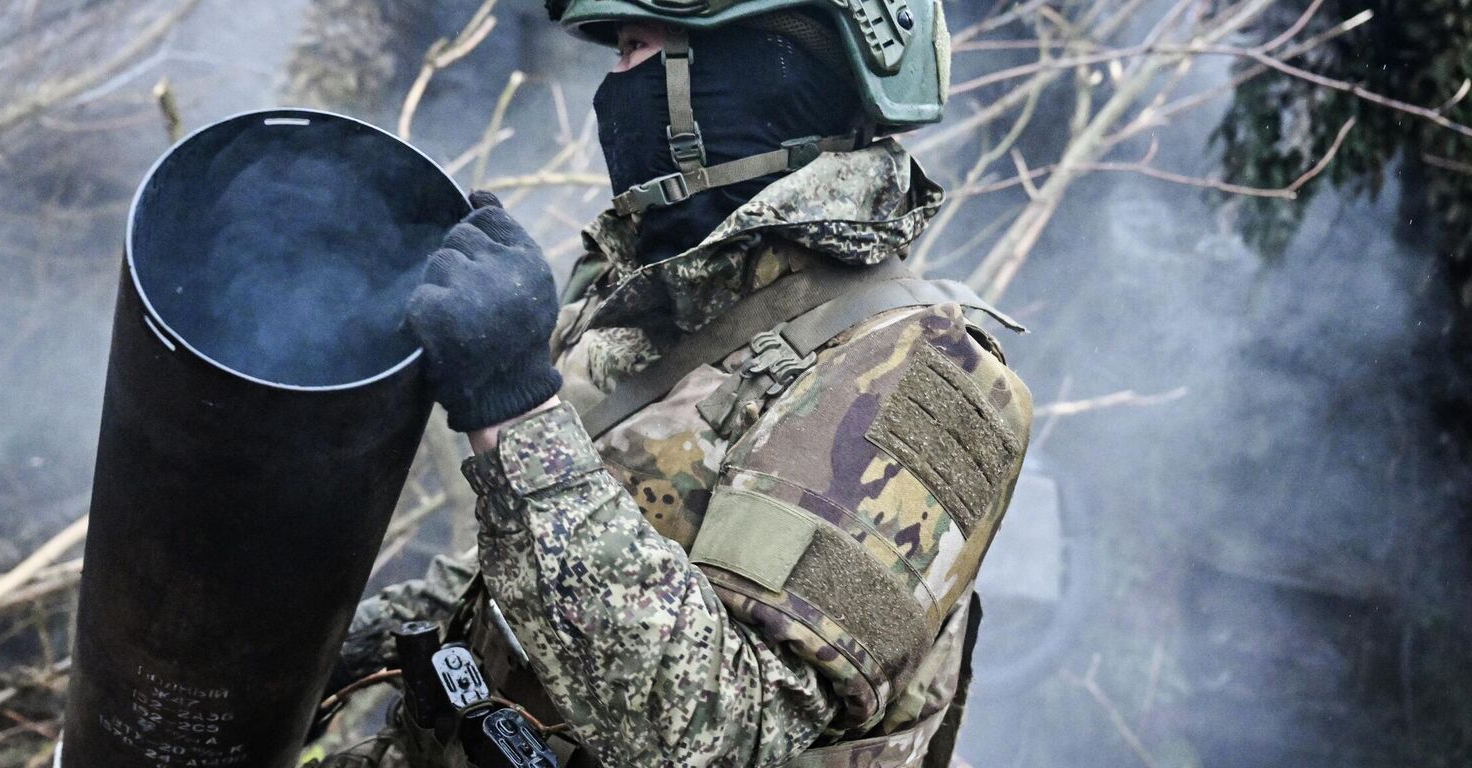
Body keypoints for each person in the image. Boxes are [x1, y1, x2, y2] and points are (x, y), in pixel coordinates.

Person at [319, 2, 1031, 766]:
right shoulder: (661, 302)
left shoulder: (920, 374)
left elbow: (724, 730)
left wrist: (515, 409)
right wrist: (337, 652)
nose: (614, 84)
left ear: (758, 71)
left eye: (635, 47)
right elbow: (525, 572)